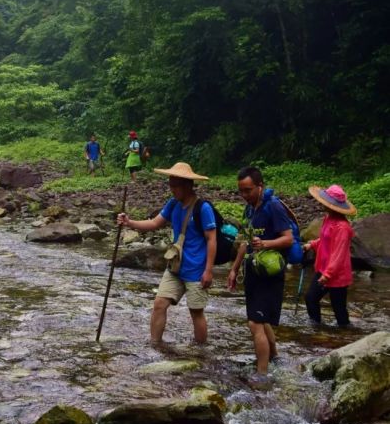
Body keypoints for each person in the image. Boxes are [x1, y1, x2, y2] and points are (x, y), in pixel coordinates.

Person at [117, 161, 216, 349]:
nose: (171, 189)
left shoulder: (203, 208)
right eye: (170, 184)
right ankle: (155, 345)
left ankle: (202, 351)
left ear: (187, 185)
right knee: (159, 304)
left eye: (175, 185)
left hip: (196, 269)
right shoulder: (173, 204)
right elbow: (155, 223)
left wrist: (209, 271)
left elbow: (212, 240)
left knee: (196, 312)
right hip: (175, 267)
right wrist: (129, 223)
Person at [227, 166, 293, 385]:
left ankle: (262, 374)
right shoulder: (249, 210)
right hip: (252, 272)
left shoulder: (273, 207)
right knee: (261, 322)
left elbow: (288, 238)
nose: (245, 195)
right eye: (241, 191)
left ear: (259, 186)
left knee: (255, 323)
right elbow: (245, 242)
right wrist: (234, 269)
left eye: (248, 190)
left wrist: (266, 243)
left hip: (270, 274)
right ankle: (274, 357)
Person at [303, 184, 356, 328]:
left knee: (338, 309)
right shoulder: (328, 219)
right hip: (323, 268)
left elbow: (338, 254)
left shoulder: (342, 228)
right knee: (311, 298)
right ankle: (317, 327)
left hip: (336, 275)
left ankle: (345, 334)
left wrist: (327, 275)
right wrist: (312, 244)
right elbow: (325, 239)